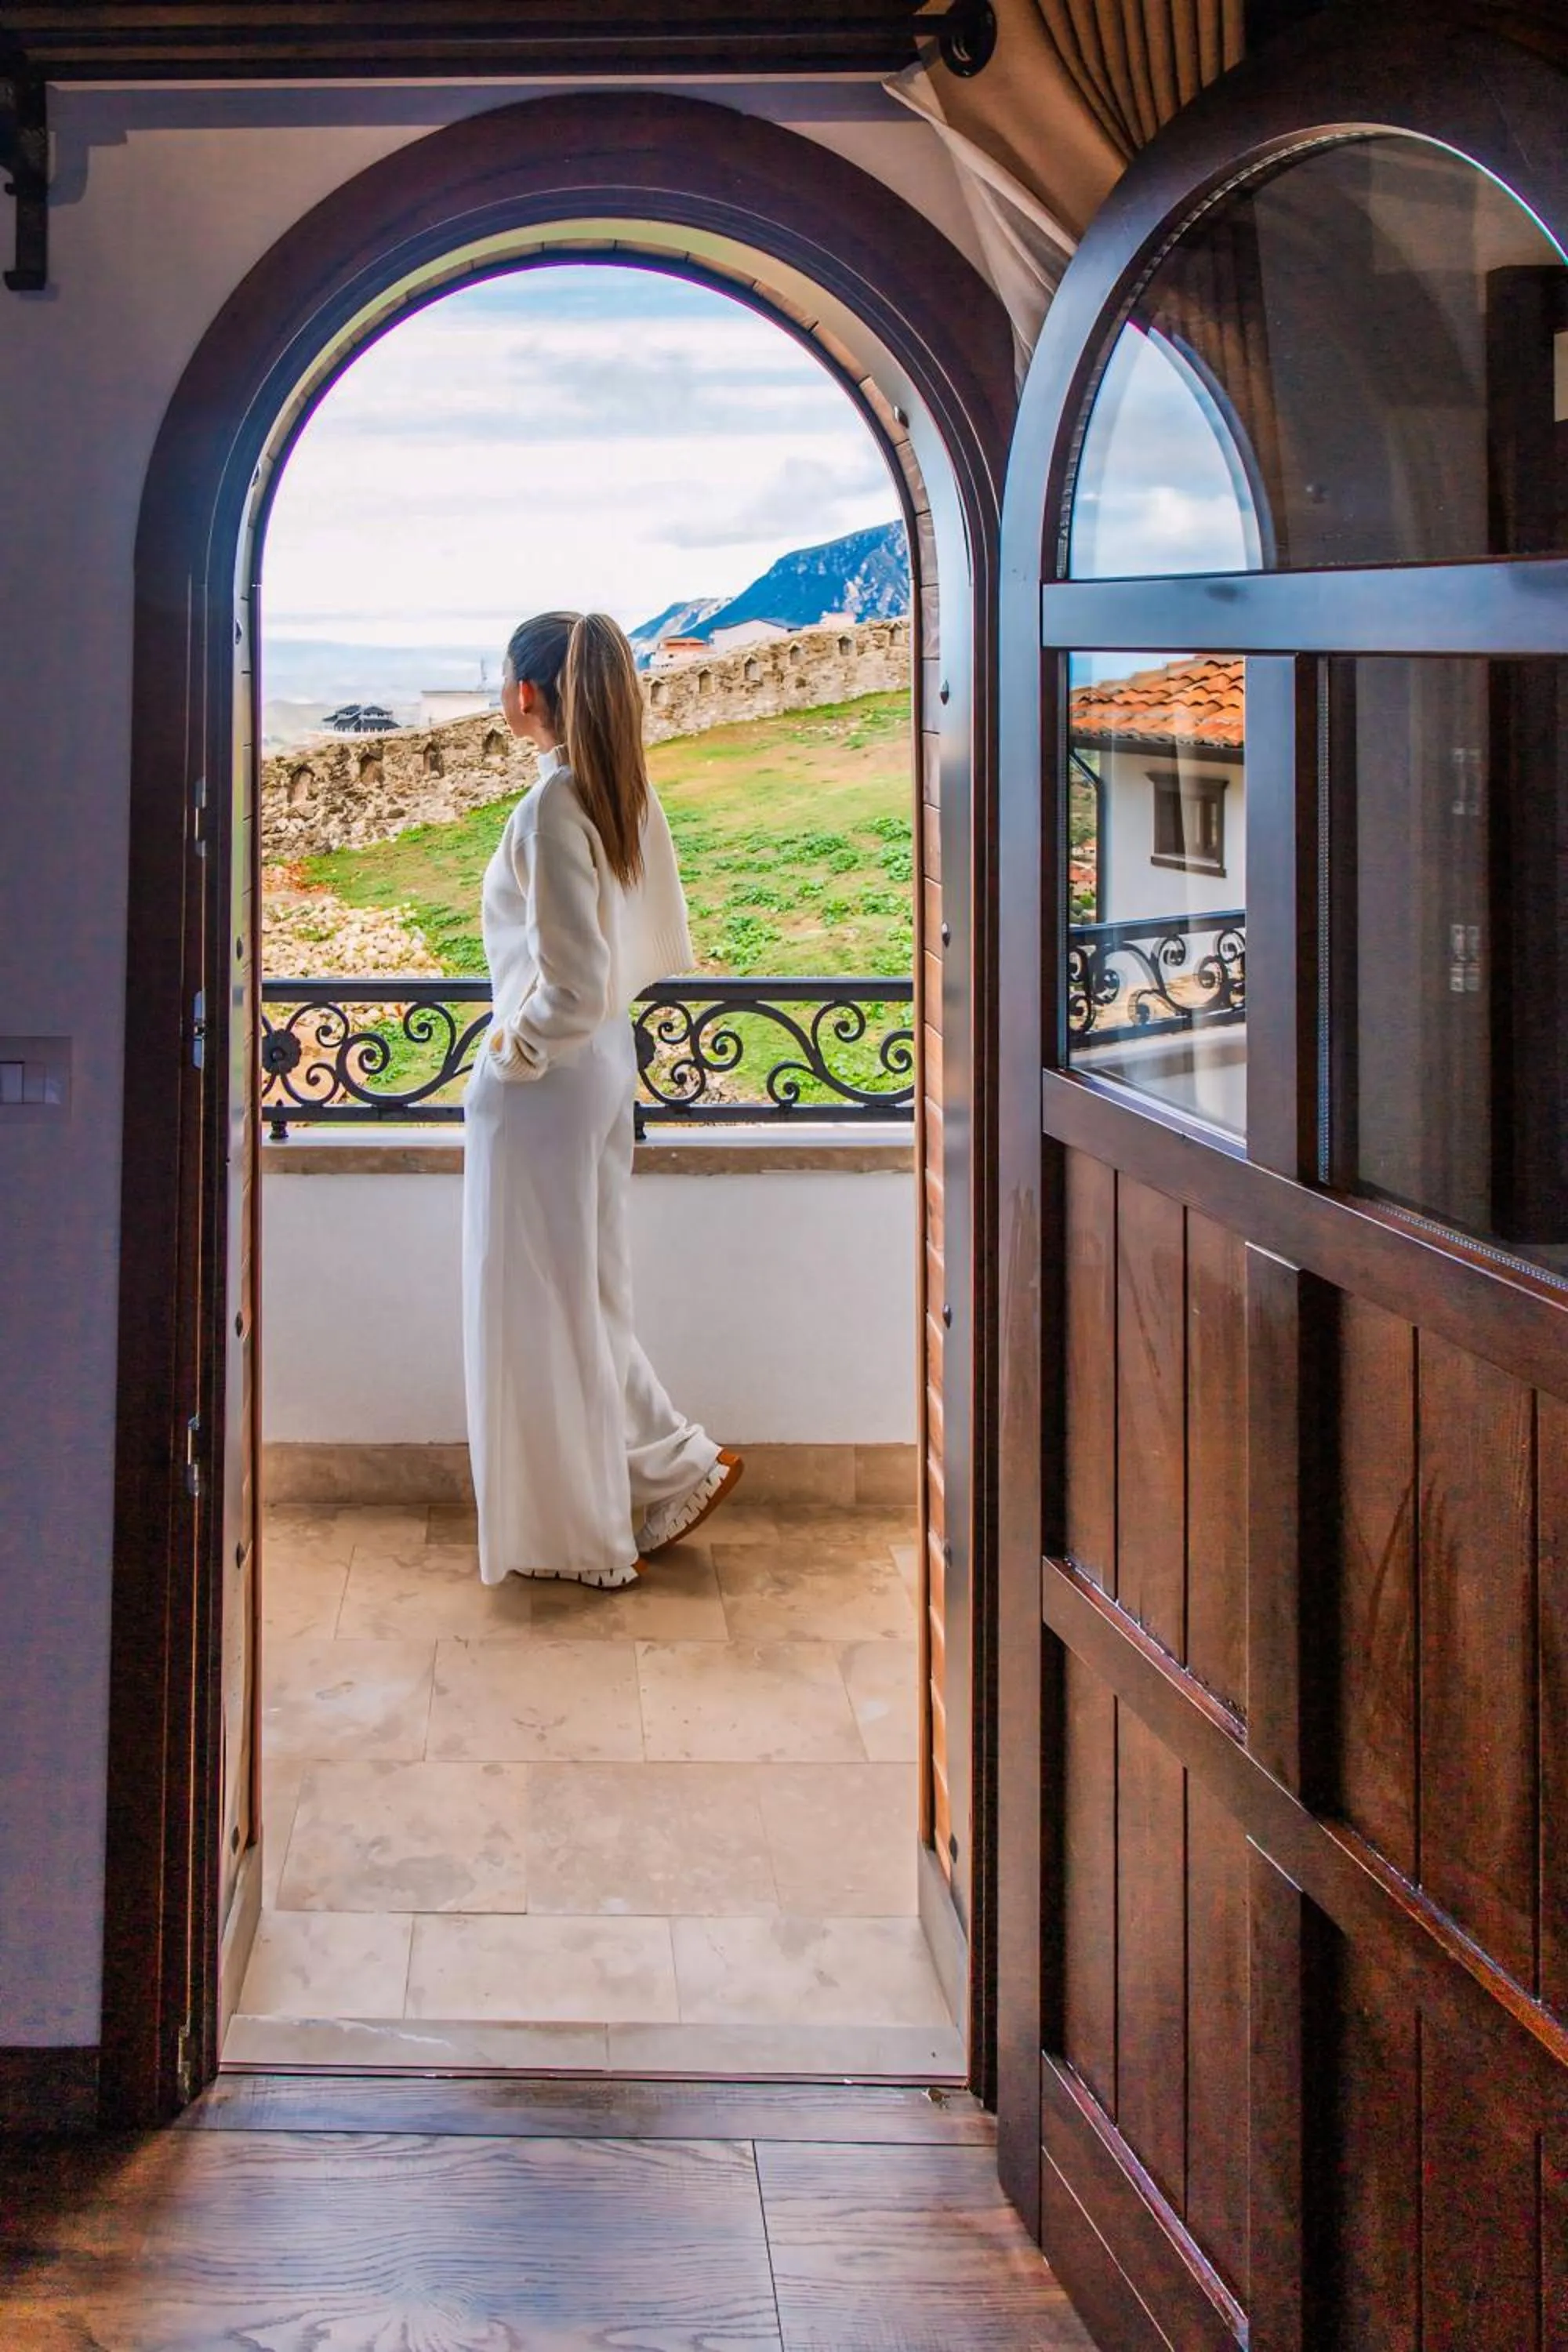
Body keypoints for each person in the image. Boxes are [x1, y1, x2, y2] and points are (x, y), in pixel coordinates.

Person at [462, 609, 743, 1588]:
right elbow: (631, 960)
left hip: (548, 1084)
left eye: (501, 677)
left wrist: (510, 1052)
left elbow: (569, 986)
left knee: (545, 1304)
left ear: (528, 692)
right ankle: (666, 1468)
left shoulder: (550, 804)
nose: (498, 694)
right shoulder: (616, 789)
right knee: (583, 1292)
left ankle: (586, 1527)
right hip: (600, 1073)